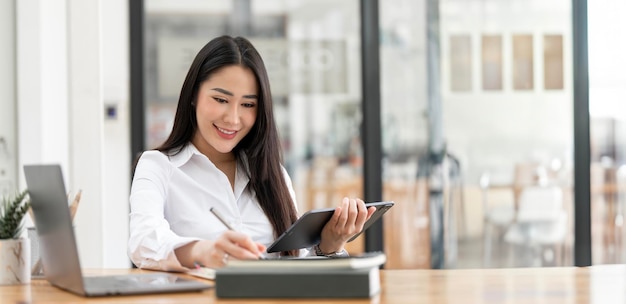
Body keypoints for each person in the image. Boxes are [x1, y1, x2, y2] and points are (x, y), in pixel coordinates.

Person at [128, 35, 376, 271]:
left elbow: (297, 263)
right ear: (194, 95)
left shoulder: (272, 173)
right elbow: (143, 242)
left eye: (248, 104)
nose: (233, 119)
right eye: (220, 99)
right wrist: (202, 251)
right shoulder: (158, 166)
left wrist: (330, 245)